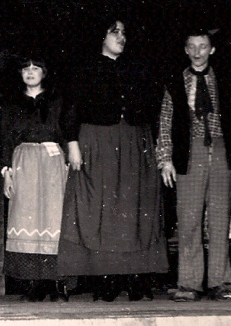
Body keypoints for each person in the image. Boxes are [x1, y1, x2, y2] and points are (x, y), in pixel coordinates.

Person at [58, 16, 167, 302]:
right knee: (101, 211)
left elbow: (154, 109)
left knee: (134, 209)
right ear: (101, 36)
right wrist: (72, 144)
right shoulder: (84, 68)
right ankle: (105, 279)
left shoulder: (138, 68)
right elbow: (70, 107)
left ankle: (135, 278)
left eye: (124, 32)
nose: (121, 37)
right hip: (97, 142)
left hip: (134, 142)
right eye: (114, 31)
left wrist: (153, 146)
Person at [156, 28, 231, 301]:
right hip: (190, 153)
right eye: (192, 47)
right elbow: (165, 121)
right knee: (189, 219)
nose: (198, 52)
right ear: (186, 50)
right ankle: (189, 283)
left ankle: (222, 280)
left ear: (212, 50)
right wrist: (165, 160)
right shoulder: (176, 82)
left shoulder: (224, 80)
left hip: (221, 151)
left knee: (220, 218)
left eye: (203, 46)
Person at [1, 57, 70, 302]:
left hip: (53, 162)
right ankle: (33, 283)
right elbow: (5, 138)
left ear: (44, 72)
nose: (30, 73)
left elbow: (67, 133)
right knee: (25, 217)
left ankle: (57, 282)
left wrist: (68, 163)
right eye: (26, 69)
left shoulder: (57, 100)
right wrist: (7, 172)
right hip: (24, 161)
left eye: (36, 68)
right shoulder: (11, 103)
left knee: (54, 217)